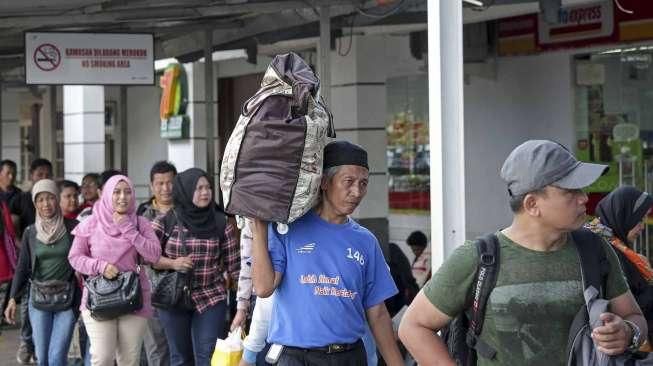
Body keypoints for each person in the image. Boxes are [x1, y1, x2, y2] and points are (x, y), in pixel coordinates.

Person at [399, 140, 648, 365]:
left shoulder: (595, 249)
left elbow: (634, 316)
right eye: (570, 191)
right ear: (532, 204)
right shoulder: (478, 258)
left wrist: (627, 332)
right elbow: (413, 326)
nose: (584, 198)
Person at [250, 140, 403, 366]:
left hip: (349, 357)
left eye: (363, 183)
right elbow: (263, 288)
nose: (357, 192)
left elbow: (377, 312)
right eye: (348, 182)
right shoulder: (288, 229)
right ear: (324, 182)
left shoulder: (366, 241)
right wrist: (259, 231)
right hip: (295, 358)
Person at [68, 175, 161, 366]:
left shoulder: (139, 223)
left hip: (133, 298)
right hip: (98, 299)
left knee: (129, 360)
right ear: (106, 194)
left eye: (127, 192)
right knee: (102, 358)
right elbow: (75, 258)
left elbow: (154, 255)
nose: (122, 197)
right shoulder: (91, 223)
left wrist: (127, 228)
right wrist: (100, 266)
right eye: (116, 192)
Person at [152, 168, 239, 366]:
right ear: (185, 190)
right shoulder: (166, 221)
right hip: (173, 297)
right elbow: (148, 257)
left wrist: (245, 302)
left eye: (208, 187)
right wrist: (173, 263)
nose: (205, 192)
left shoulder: (221, 222)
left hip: (211, 296)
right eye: (198, 188)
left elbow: (235, 266)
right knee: (181, 358)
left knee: (207, 356)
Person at [4, 179, 79, 366]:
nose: (45, 204)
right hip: (38, 299)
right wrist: (13, 298)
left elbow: (84, 260)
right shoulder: (31, 232)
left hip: (67, 299)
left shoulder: (73, 227)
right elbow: (22, 268)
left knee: (56, 357)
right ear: (35, 203)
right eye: (40, 200)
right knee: (43, 357)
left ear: (57, 199)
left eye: (50, 198)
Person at [586, 185, 653, 347]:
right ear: (622, 215)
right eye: (639, 220)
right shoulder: (602, 250)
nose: (642, 227)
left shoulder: (618, 248)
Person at [10, 158, 52, 365]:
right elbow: (14, 230)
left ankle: (39, 345)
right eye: (39, 174)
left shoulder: (54, 200)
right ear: (31, 175)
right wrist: (25, 247)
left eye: (47, 174)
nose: (43, 178)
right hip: (28, 261)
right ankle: (27, 342)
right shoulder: (20, 199)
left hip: (51, 264)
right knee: (28, 306)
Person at [137, 161, 177, 366]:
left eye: (170, 182)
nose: (165, 188)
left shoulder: (187, 211)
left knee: (180, 348)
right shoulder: (142, 214)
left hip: (182, 290)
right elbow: (142, 255)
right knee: (156, 349)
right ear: (152, 186)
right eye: (160, 183)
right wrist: (173, 263)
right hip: (151, 291)